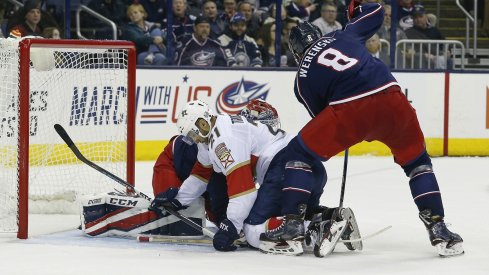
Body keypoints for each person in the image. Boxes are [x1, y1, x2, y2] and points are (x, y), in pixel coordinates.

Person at [286, 1, 463, 256]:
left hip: (350, 111)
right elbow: (377, 11)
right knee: (418, 163)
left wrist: (350, 132)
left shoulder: (300, 80)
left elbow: (322, 117)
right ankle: (438, 228)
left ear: (296, 52)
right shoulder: (341, 34)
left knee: (299, 155)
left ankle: (292, 226)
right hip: (392, 98)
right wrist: (354, 9)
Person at [150, 99, 360, 256]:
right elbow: (200, 176)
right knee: (287, 215)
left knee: (251, 231)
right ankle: (329, 217)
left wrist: (231, 226)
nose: (193, 139)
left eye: (193, 133)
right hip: (306, 170)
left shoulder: (224, 139)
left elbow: (243, 192)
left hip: (284, 171)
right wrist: (178, 199)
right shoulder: (213, 137)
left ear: (203, 123)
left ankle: (315, 230)